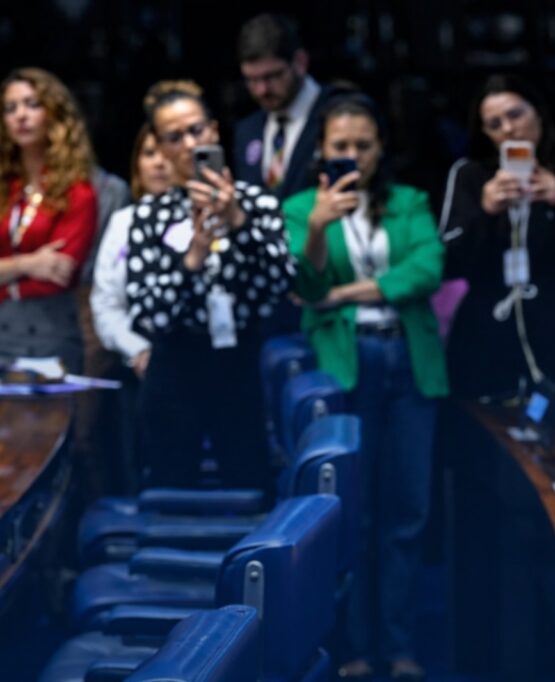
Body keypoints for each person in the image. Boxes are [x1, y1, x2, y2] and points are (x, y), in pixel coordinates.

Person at [284, 94, 445, 681]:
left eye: (362, 146)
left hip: (408, 359)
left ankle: (398, 646)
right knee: (351, 515)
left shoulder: (409, 201)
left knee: (407, 510)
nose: (351, 157)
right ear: (321, 152)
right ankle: (349, 645)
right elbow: (305, 283)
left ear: (380, 149)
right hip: (345, 364)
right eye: (340, 147)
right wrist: (320, 230)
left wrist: (349, 292)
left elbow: (427, 270)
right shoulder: (303, 208)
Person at [127, 80, 293, 490]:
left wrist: (239, 223)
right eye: (174, 137)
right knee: (170, 488)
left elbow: (282, 283)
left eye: (197, 130)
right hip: (174, 365)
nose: (189, 143)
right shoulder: (150, 215)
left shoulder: (258, 204)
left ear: (215, 131)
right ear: (161, 148)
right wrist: (192, 260)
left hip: (240, 361)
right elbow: (146, 313)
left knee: (250, 485)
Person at [439, 74, 555, 403]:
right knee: (481, 434)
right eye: (495, 124)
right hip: (484, 325)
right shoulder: (470, 175)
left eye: (516, 115)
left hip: (554, 320)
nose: (509, 130)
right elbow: (447, 264)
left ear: (538, 114)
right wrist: (484, 211)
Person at [91, 123, 174, 492]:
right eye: (148, 153)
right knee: (137, 466)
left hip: (196, 356)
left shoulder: (210, 216)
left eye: (165, 152)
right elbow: (105, 301)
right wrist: (137, 349)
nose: (158, 163)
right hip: (137, 361)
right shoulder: (123, 222)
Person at [0, 67, 98, 373]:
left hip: (50, 336)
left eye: (32, 104)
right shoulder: (6, 187)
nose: (20, 116)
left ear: (54, 114)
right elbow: (40, 271)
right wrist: (26, 265)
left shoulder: (78, 193)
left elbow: (60, 273)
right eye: (10, 108)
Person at [233, 13, 338, 200]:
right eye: (251, 80)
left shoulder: (339, 116)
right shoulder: (246, 131)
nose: (261, 90)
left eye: (271, 77)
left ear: (300, 62)